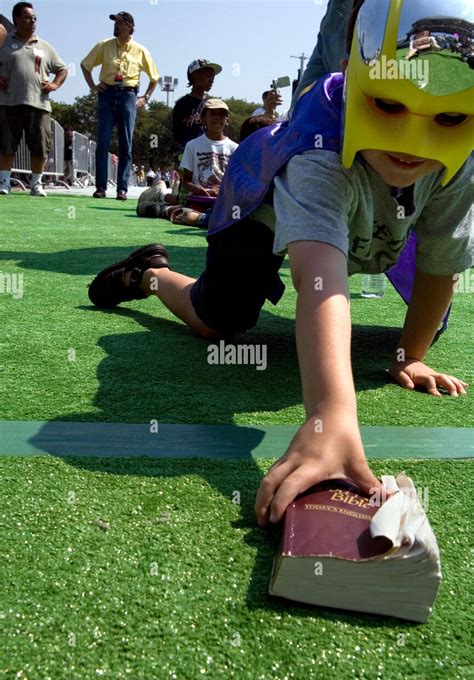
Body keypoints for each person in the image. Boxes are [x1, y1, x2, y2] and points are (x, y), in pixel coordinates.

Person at [88, 0, 473, 528]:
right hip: (258, 209)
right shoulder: (319, 152)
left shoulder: (463, 156)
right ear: (354, 79)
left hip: (379, 225)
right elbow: (319, 280)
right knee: (219, 320)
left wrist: (409, 356)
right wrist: (330, 416)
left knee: (428, 325)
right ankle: (150, 273)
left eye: (448, 117)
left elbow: (441, 262)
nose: (411, 142)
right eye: (387, 106)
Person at [80, 11, 159, 201]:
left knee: (126, 143)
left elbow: (154, 77)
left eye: (120, 23)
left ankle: (121, 189)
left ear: (130, 26)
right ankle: (100, 187)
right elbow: (85, 65)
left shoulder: (141, 50)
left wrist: (145, 97)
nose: (116, 26)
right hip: (106, 94)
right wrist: (92, 86)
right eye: (115, 23)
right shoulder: (104, 45)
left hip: (128, 95)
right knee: (103, 141)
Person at [0, 2, 68, 196]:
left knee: (39, 147)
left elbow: (62, 68)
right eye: (28, 17)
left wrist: (55, 84)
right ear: (16, 19)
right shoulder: (4, 43)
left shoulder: (44, 46)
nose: (33, 22)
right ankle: (4, 182)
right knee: (6, 145)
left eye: (35, 18)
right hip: (8, 102)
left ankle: (36, 184)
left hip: (39, 104)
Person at [179, 98, 237, 197]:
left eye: (221, 114)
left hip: (224, 202)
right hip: (199, 200)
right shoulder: (192, 146)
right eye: (213, 114)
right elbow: (186, 182)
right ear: (203, 119)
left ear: (227, 120)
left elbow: (236, 180)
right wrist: (198, 190)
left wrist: (222, 190)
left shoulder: (235, 148)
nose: (217, 117)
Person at [172, 59, 222, 150]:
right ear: (195, 75)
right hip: (188, 153)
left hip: (209, 152)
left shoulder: (213, 104)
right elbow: (177, 137)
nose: (211, 81)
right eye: (208, 75)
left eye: (213, 77)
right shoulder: (182, 104)